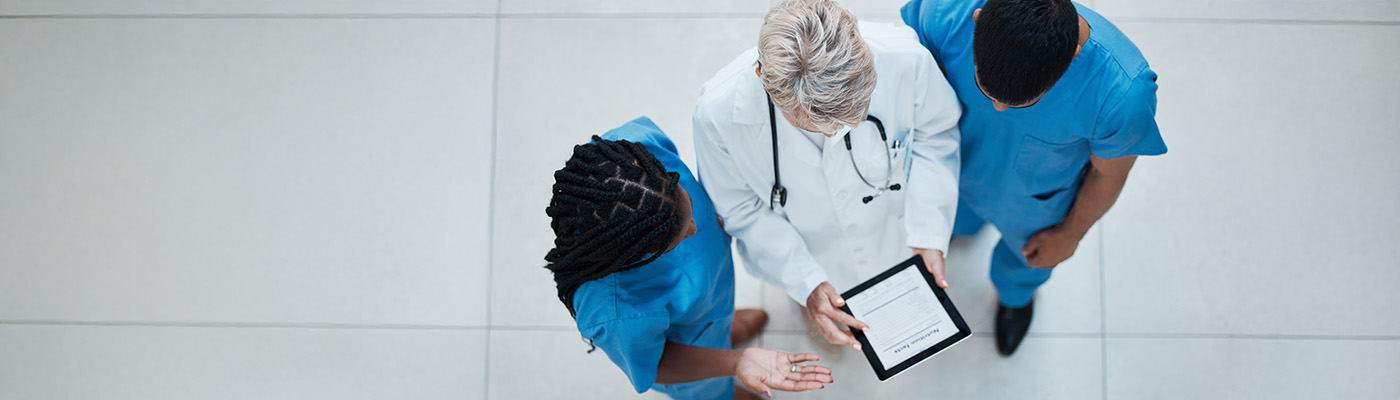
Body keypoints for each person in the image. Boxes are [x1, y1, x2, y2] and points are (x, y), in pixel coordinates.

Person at [901, 0, 1168, 355]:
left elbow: (1109, 176)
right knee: (953, 222)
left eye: (1021, 102)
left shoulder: (1120, 95)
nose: (999, 108)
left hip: (1035, 201)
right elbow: (911, 75)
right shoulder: (946, 12)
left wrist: (1070, 234)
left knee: (1028, 258)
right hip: (955, 162)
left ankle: (1015, 298)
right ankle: (960, 228)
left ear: (1073, 55)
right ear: (978, 21)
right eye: (985, 87)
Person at [693, 0, 962, 352]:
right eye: (819, 125)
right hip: (808, 250)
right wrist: (806, 282)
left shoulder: (905, 58)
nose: (836, 133)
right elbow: (740, 210)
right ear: (763, 79)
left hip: (893, 230)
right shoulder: (718, 115)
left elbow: (936, 135)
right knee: (826, 317)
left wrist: (929, 231)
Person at [544, 117, 834, 400]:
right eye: (680, 236)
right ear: (638, 256)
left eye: (689, 206)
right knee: (709, 391)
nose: (696, 227)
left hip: (710, 297)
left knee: (717, 319)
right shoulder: (616, 312)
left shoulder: (635, 150)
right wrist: (736, 362)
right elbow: (656, 366)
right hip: (683, 350)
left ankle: (722, 329)